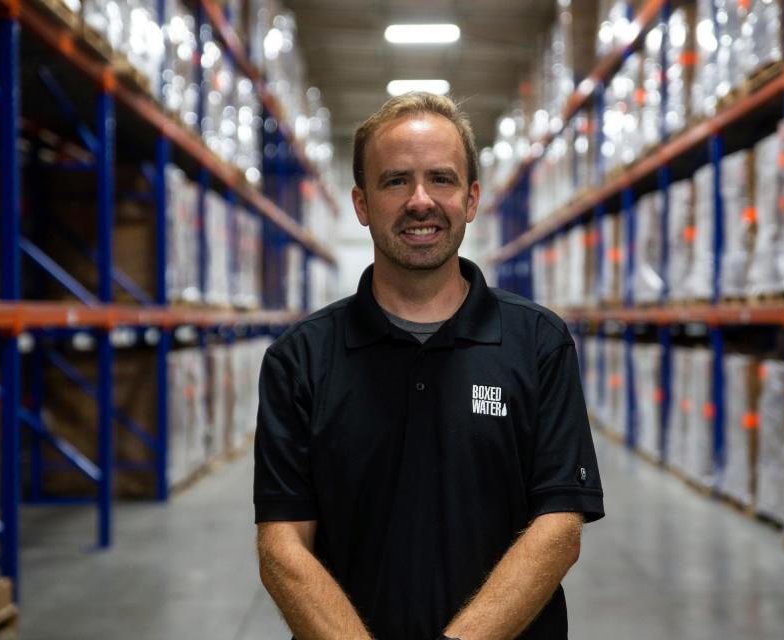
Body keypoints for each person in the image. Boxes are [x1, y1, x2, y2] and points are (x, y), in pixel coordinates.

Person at [254, 92, 604, 640]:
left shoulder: (538, 342)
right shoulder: (299, 359)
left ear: (471, 199)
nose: (421, 201)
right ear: (362, 204)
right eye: (395, 181)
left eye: (441, 179)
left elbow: (559, 526)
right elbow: (282, 544)